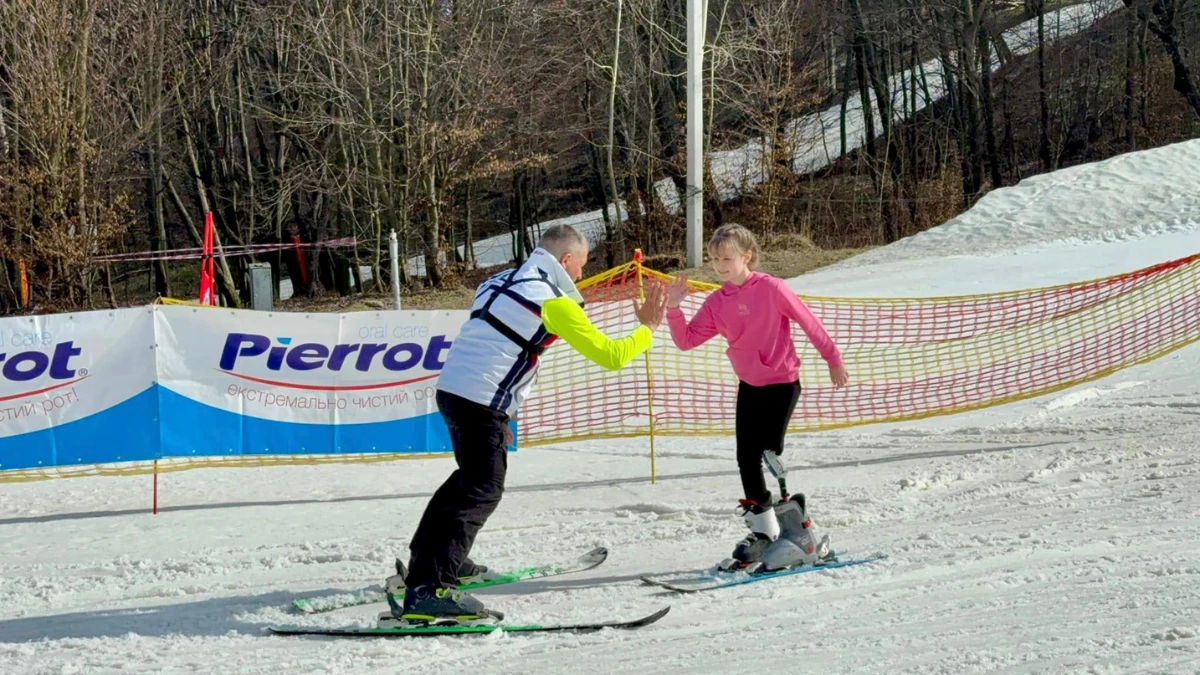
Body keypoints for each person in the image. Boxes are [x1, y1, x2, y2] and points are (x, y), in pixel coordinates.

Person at [388, 223, 667, 626]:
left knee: (469, 482)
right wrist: (648, 328)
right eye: (581, 267)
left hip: (453, 391)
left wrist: (505, 403)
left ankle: (428, 564)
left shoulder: (496, 280)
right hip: (480, 401)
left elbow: (495, 340)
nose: (580, 277)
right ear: (566, 260)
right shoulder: (553, 302)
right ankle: (429, 590)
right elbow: (610, 355)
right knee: (482, 491)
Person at [664, 224, 849, 571]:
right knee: (746, 459)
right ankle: (764, 532)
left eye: (727, 258)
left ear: (747, 256)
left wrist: (833, 360)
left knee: (768, 453)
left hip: (782, 383)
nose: (719, 265)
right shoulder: (717, 302)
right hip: (749, 385)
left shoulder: (772, 288)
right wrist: (674, 309)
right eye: (714, 259)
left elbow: (810, 324)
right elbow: (686, 340)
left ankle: (798, 534)